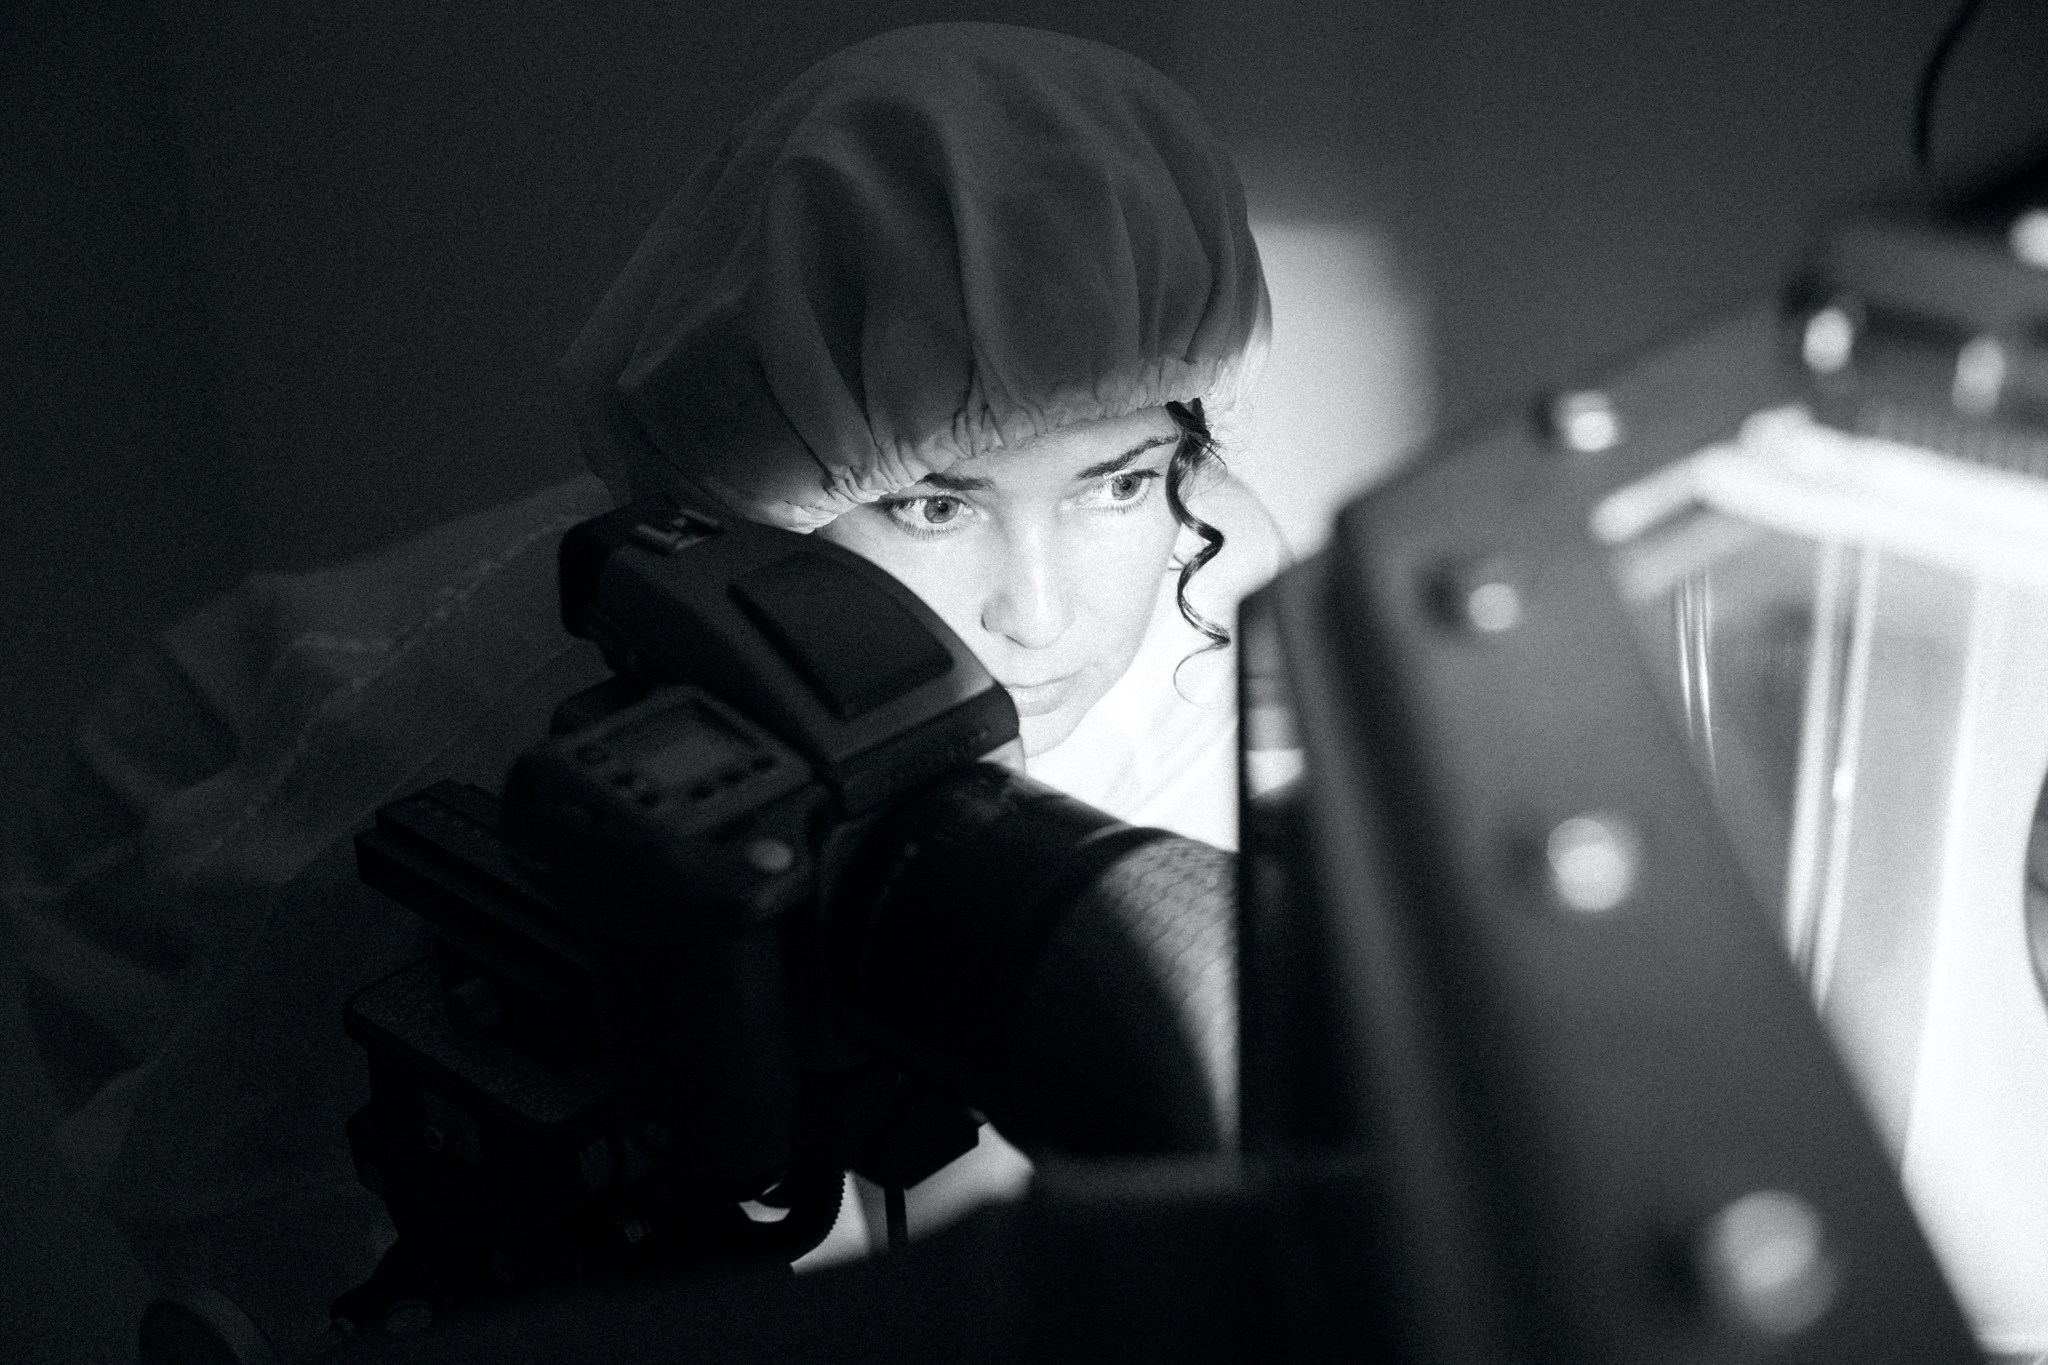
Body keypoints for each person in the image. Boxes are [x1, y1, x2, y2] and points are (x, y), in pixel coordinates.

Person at [0, 20, 1277, 1353]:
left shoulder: (1219, 567)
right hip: (164, 851)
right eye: (931, 502)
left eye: (1116, 484)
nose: (1044, 610)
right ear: (759, 511)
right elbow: (218, 1146)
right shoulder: (524, 721)